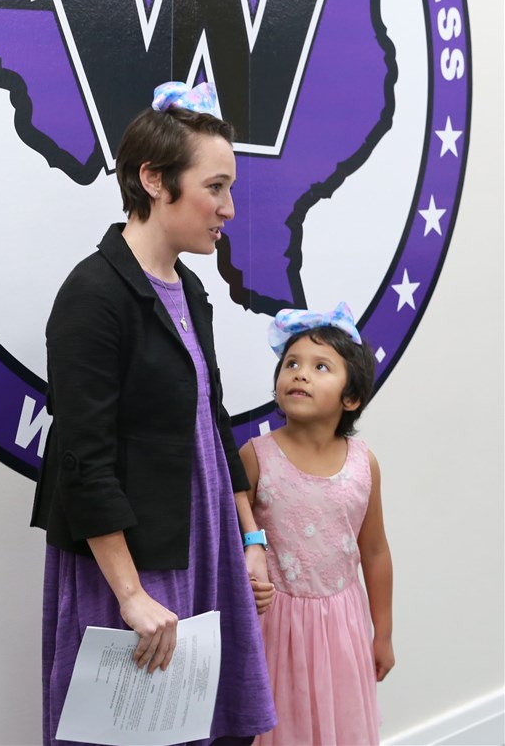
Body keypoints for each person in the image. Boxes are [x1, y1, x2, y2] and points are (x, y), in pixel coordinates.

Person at [31, 81, 277, 746]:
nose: (229, 207)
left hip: (203, 542)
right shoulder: (92, 295)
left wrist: (249, 537)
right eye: (216, 186)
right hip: (134, 559)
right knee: (133, 735)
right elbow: (84, 456)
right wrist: (131, 594)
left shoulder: (190, 290)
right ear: (153, 178)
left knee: (211, 729)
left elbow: (212, 418)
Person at [240, 304, 394, 746]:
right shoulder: (256, 456)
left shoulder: (365, 464)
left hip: (342, 625)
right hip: (275, 627)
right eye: (291, 364)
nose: (300, 374)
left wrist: (381, 633)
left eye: (320, 366)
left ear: (351, 398)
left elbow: (376, 551)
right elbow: (232, 540)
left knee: (338, 726)